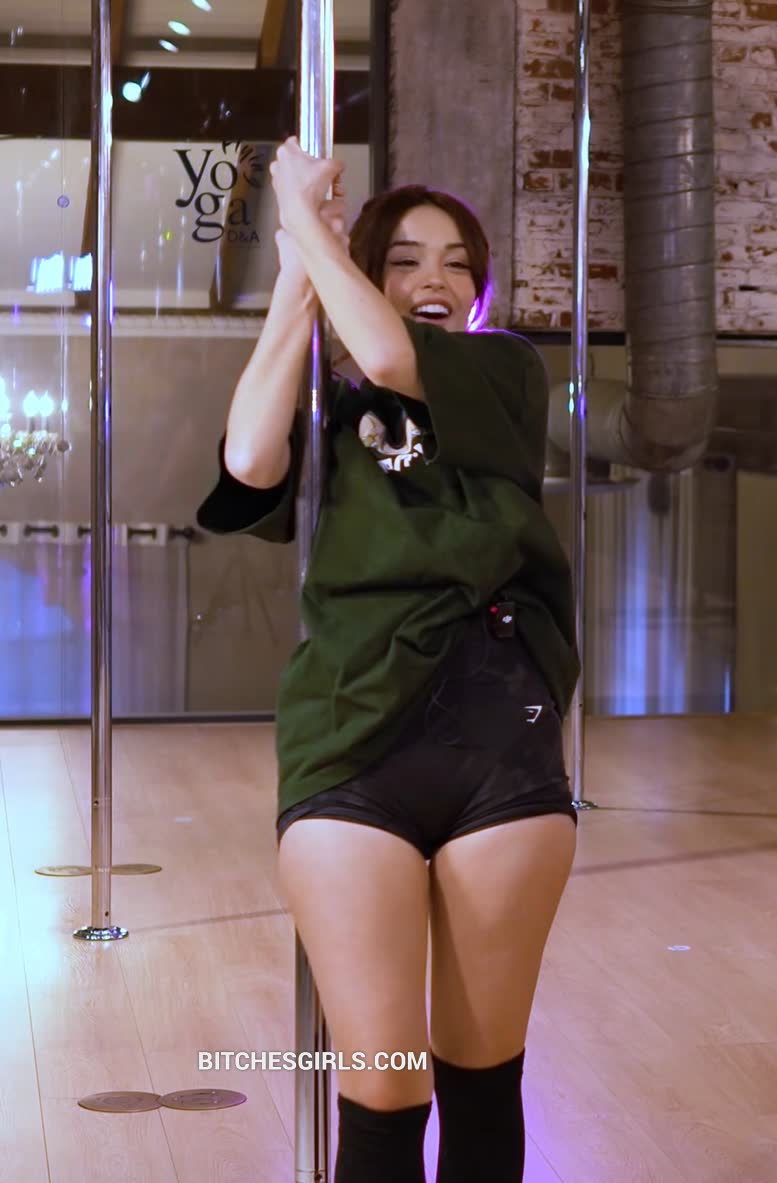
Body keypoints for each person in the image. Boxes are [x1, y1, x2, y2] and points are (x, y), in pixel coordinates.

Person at [197, 136, 581, 1183]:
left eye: (458, 263)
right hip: (350, 732)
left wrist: (306, 222)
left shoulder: (503, 369)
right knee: (383, 1086)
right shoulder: (330, 407)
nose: (435, 279)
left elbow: (395, 358)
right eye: (404, 260)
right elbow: (248, 459)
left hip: (498, 731)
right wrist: (300, 270)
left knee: (481, 1076)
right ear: (366, 274)